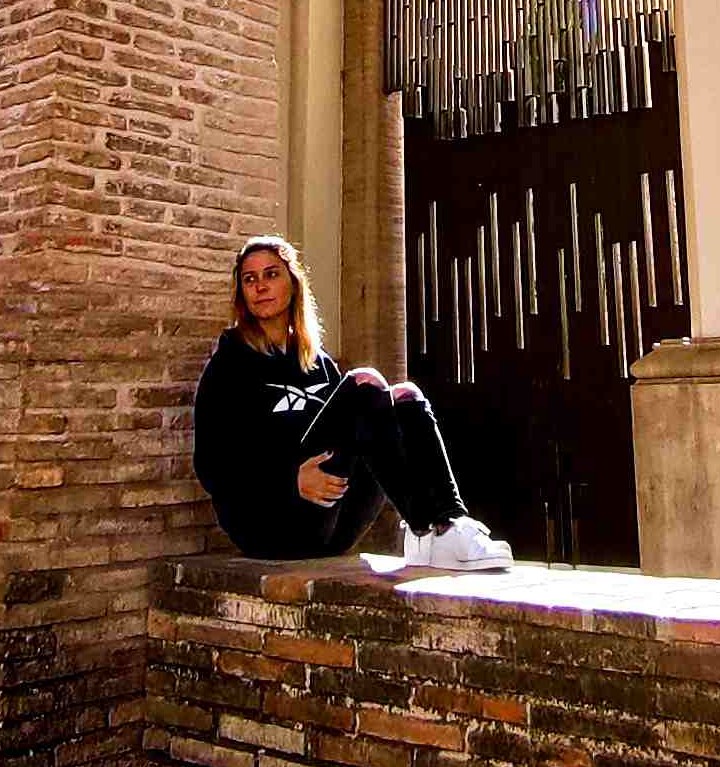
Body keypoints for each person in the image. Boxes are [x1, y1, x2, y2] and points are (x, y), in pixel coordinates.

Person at [192, 234, 513, 572]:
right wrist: (288, 480)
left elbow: (359, 436)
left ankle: (446, 523)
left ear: (293, 284)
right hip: (271, 527)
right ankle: (422, 526)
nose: (260, 286)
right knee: (366, 383)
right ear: (241, 292)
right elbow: (210, 465)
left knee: (406, 397)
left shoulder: (316, 362)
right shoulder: (229, 365)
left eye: (271, 274)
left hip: (332, 524)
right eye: (249, 279)